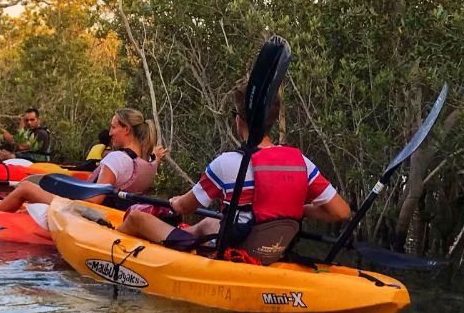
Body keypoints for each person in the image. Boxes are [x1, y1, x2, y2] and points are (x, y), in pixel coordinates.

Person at [118, 79, 350, 264]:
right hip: (272, 252)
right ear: (271, 122)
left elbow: (184, 207)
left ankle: (112, 238)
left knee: (136, 217)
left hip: (236, 253)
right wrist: (299, 209)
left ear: (239, 120)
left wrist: (176, 201)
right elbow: (340, 212)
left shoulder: (226, 163)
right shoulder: (301, 162)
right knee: (208, 225)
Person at [0, 108, 157, 214]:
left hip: (89, 214)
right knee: (28, 210)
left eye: (113, 127)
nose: (111, 133)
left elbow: (94, 201)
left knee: (26, 187)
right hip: (115, 212)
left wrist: (65, 195)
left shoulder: (116, 159)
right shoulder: (149, 161)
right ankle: (14, 215)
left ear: (126, 129)